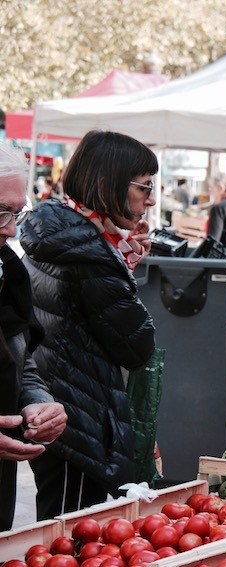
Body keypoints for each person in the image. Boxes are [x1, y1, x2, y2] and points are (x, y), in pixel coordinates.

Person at [19, 130, 157, 519]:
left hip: (58, 406)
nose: (150, 198)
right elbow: (136, 346)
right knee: (73, 536)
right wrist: (121, 272)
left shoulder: (60, 230)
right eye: (144, 187)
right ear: (108, 184)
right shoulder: (91, 255)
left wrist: (120, 260)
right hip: (80, 419)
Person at [0, 141, 66, 531]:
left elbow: (19, 361)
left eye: (17, 212)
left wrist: (40, 403)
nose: (11, 228)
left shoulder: (9, 271)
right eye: (0, 212)